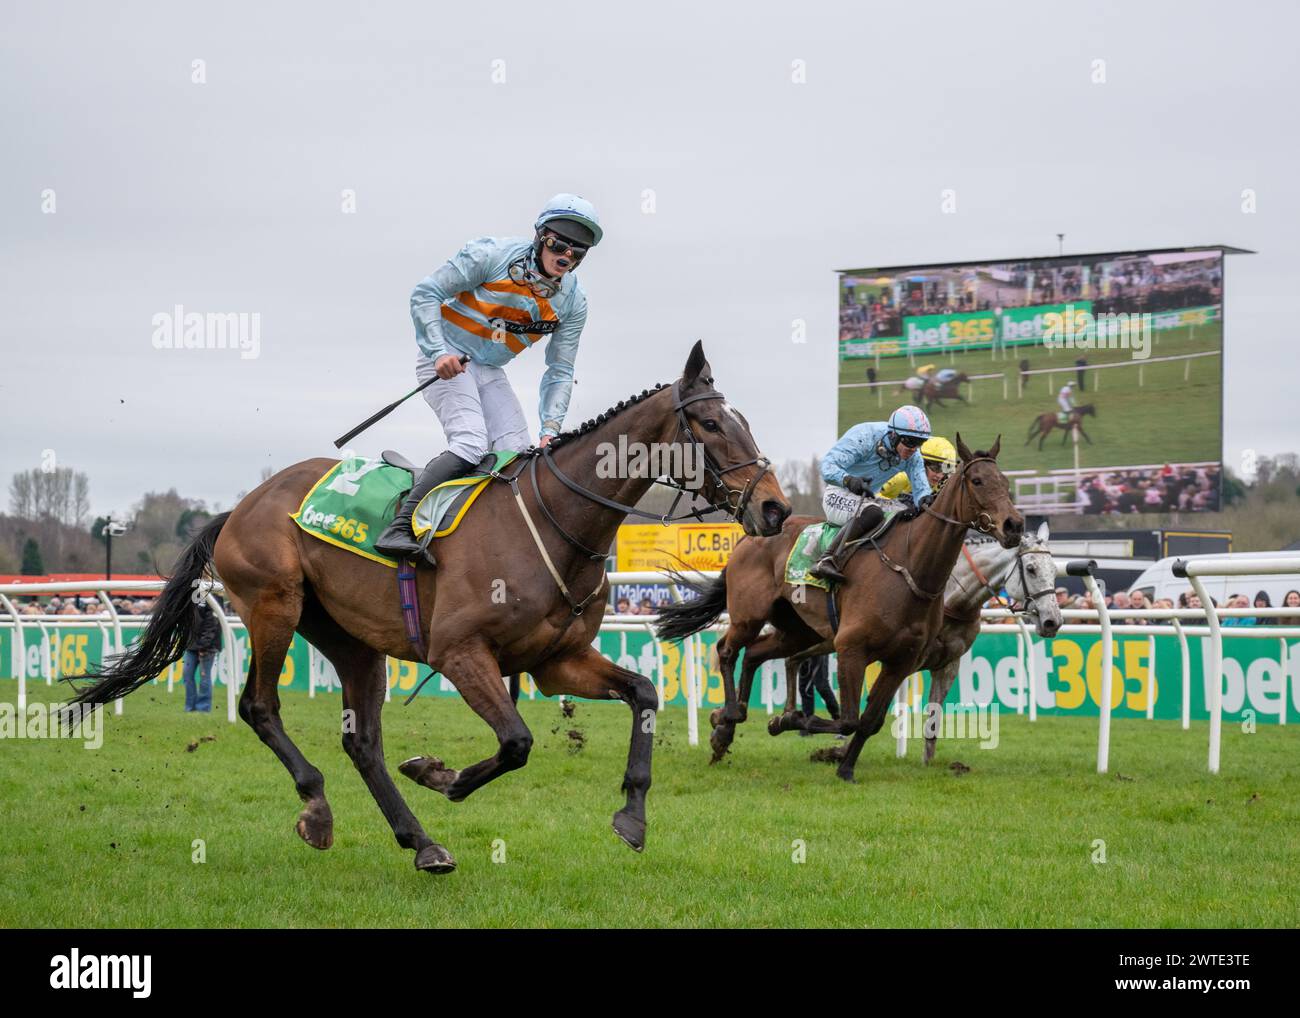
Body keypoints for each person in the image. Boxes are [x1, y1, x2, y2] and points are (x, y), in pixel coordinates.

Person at [375, 194, 602, 560]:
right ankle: (400, 526)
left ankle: (483, 537)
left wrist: (551, 430)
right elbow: (425, 293)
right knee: (470, 443)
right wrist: (438, 353)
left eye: (577, 254)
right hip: (447, 356)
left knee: (518, 455)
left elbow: (560, 369)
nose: (565, 258)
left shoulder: (573, 302)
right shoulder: (490, 255)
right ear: (540, 237)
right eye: (558, 246)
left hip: (489, 370)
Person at [809, 406, 933, 584]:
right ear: (893, 434)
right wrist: (849, 480)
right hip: (837, 494)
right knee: (873, 513)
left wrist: (926, 500)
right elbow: (827, 466)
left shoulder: (912, 456)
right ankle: (827, 559)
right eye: (910, 441)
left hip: (868, 498)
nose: (914, 449)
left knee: (907, 511)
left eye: (919, 443)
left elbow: (922, 491)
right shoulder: (864, 436)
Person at [878, 436, 957, 500]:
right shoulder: (902, 477)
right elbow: (871, 495)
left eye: (946, 469)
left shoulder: (943, 484)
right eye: (936, 468)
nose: (940, 475)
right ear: (921, 464)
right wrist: (896, 505)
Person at [183, 601, 223, 713]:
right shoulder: (193, 595)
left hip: (207, 647)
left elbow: (212, 625)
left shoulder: (213, 598)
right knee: (187, 675)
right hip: (192, 645)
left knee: (204, 678)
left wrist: (203, 646)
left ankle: (203, 708)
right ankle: (189, 707)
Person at [796, 655, 840, 736]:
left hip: (819, 649)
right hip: (802, 649)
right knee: (804, 688)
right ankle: (807, 724)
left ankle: (838, 720)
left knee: (822, 686)